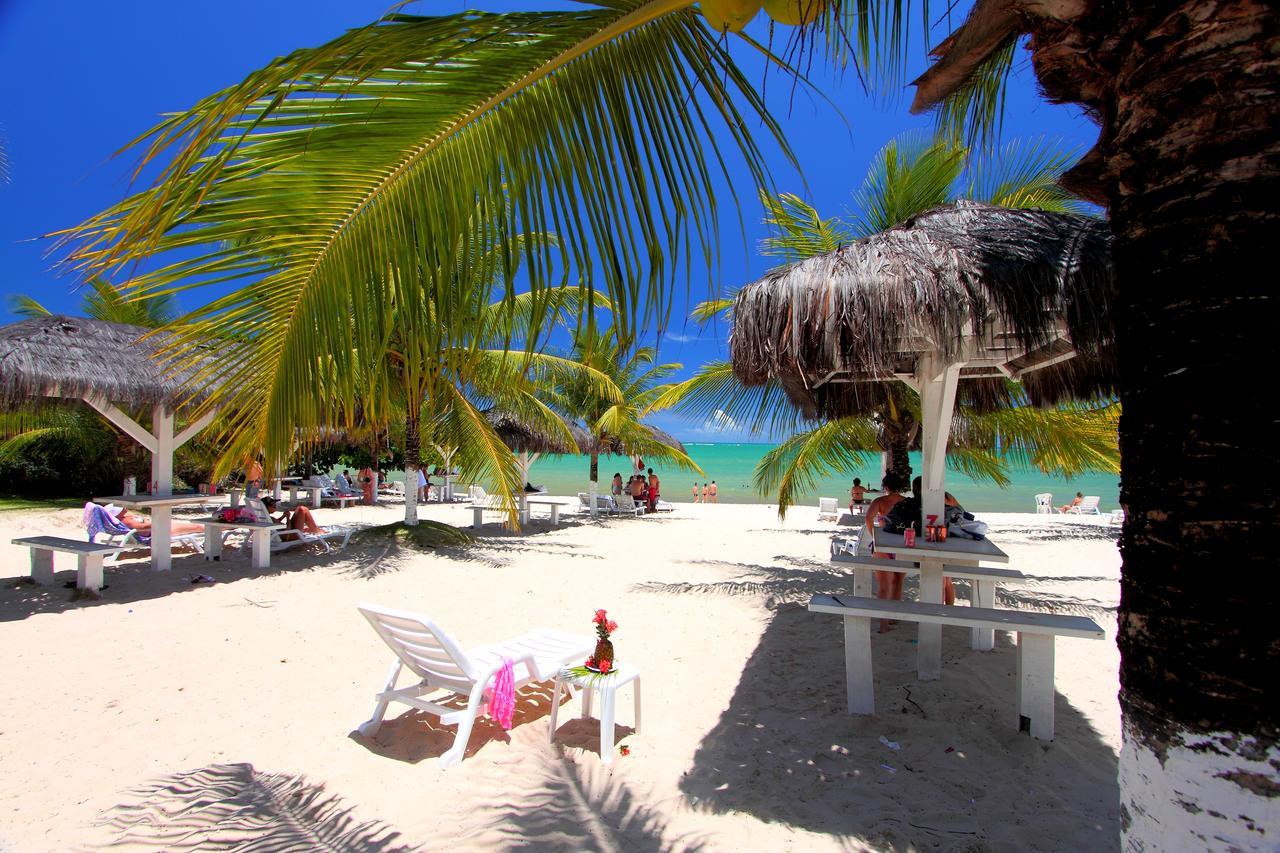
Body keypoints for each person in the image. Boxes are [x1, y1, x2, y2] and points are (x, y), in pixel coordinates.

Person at [862, 472, 908, 631]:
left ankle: (883, 624)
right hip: (902, 545)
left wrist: (874, 535)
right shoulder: (906, 502)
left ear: (885, 487)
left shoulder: (880, 501)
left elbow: (868, 518)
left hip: (883, 545)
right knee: (898, 581)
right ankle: (894, 617)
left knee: (884, 586)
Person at [112, 506, 204, 537]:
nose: (124, 508)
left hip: (159, 526)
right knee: (197, 527)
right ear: (117, 514)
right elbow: (142, 528)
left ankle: (216, 529)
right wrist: (158, 523)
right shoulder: (126, 521)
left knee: (195, 526)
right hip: (159, 531)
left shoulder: (123, 519)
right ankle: (217, 530)